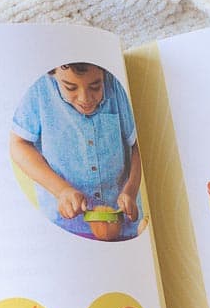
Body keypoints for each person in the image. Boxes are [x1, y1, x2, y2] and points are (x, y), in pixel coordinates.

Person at [9, 63, 142, 239]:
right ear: (53, 74)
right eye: (70, 87)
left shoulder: (116, 85)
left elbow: (137, 147)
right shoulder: (38, 90)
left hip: (123, 224)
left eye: (95, 86)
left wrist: (130, 191)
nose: (85, 98)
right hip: (65, 228)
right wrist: (61, 190)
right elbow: (18, 144)